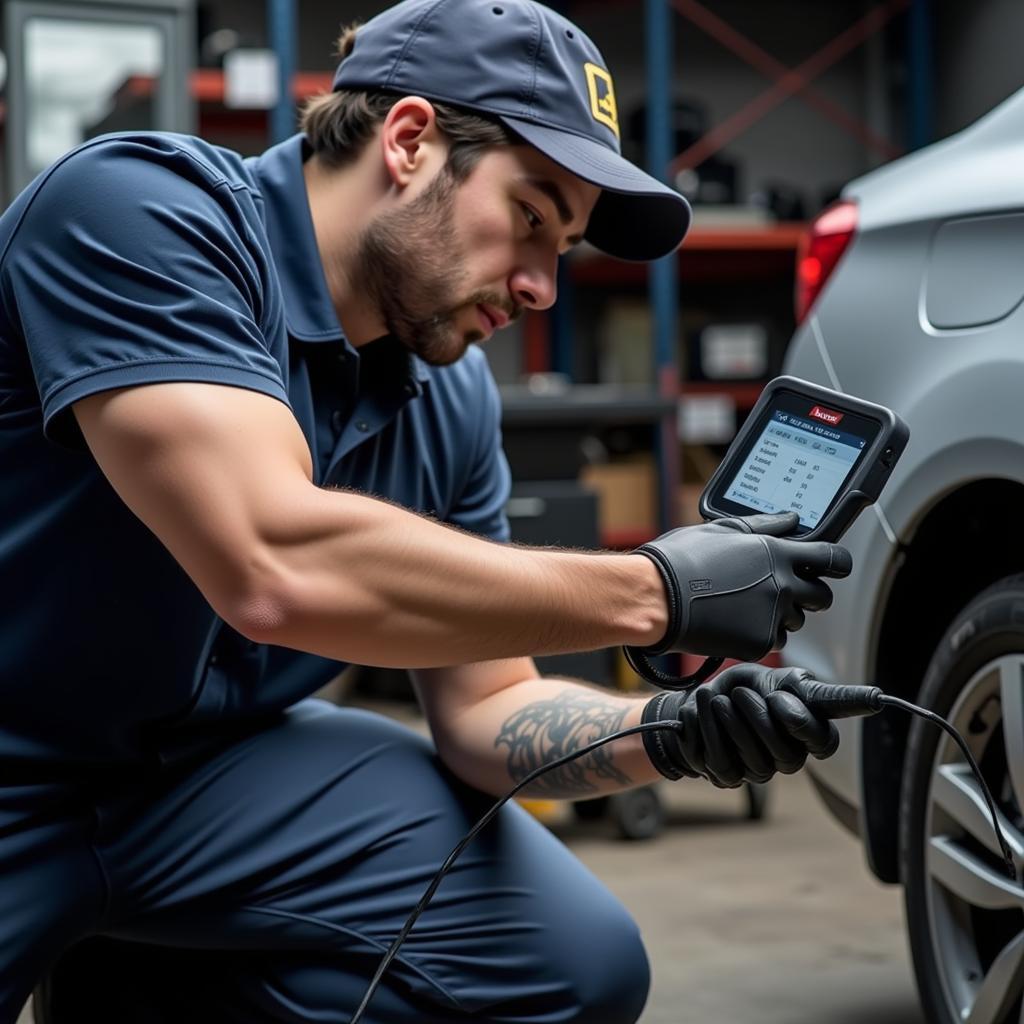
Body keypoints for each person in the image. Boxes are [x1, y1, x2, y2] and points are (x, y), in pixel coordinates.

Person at [0, 1, 852, 1021]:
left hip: (214, 783)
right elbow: (273, 561)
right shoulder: (140, 212)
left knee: (574, 962)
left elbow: (488, 708)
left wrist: (668, 728)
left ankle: (146, 984)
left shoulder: (447, 391)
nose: (541, 286)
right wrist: (657, 591)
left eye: (565, 248)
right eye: (531, 216)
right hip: (18, 763)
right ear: (408, 141)